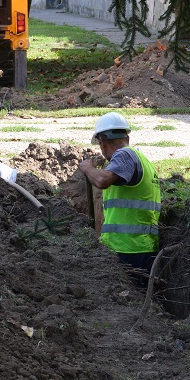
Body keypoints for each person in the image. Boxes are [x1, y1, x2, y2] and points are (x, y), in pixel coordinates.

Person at [78, 112, 162, 274]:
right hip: (140, 247)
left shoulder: (125, 155)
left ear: (102, 142)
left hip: (128, 249)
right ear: (127, 138)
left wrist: (88, 168)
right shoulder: (143, 161)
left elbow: (102, 180)